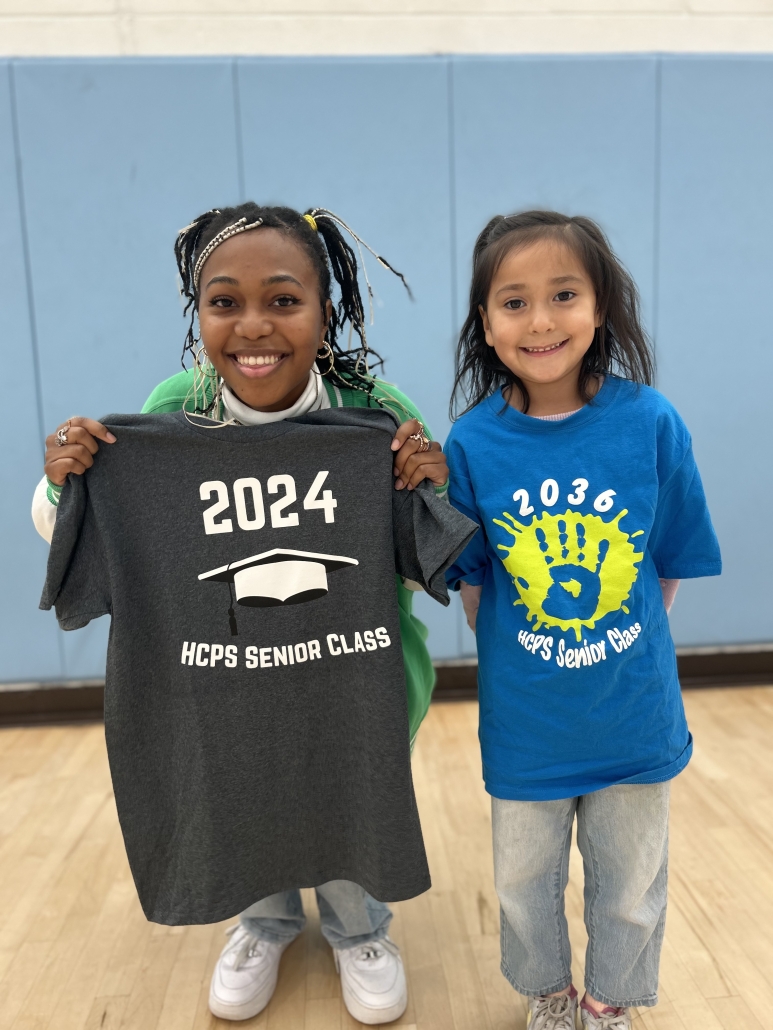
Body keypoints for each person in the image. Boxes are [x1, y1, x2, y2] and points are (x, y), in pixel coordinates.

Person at [31, 203, 450, 1025]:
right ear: (198, 314)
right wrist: (64, 481)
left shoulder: (376, 407)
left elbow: (432, 543)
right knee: (244, 789)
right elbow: (86, 536)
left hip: (356, 676)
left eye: (283, 299)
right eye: (224, 302)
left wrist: (426, 480)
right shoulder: (172, 408)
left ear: (326, 308)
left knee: (347, 793)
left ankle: (360, 930)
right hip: (228, 680)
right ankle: (263, 922)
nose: (253, 325)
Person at [444, 210, 721, 1030]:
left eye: (562, 294)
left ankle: (608, 1000)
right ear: (486, 325)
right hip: (527, 724)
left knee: (629, 878)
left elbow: (666, 560)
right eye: (513, 301)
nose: (539, 320)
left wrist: (617, 644)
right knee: (522, 881)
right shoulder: (470, 444)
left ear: (599, 308)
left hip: (632, 714)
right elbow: (473, 585)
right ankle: (549, 995)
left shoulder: (650, 423)